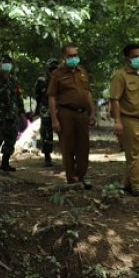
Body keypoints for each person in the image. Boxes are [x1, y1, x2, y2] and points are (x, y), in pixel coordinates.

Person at [110, 43, 139, 197]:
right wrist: (118, 121)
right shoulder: (120, 76)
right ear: (127, 58)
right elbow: (115, 100)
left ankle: (126, 182)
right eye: (134, 56)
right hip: (130, 120)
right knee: (133, 155)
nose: (138, 59)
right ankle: (137, 187)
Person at [48, 43, 95, 189]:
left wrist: (92, 112)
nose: (74, 58)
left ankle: (80, 176)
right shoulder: (58, 74)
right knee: (68, 146)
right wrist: (54, 120)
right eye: (70, 56)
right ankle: (71, 178)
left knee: (84, 146)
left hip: (82, 114)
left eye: (75, 55)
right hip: (65, 113)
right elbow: (52, 97)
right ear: (64, 57)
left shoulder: (82, 71)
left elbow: (87, 93)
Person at [33, 58, 59, 166]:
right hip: (45, 110)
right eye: (51, 68)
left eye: (55, 68)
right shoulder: (41, 81)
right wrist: (37, 110)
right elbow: (37, 96)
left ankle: (70, 156)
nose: (53, 70)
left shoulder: (60, 79)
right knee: (47, 134)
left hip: (60, 109)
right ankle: (47, 157)